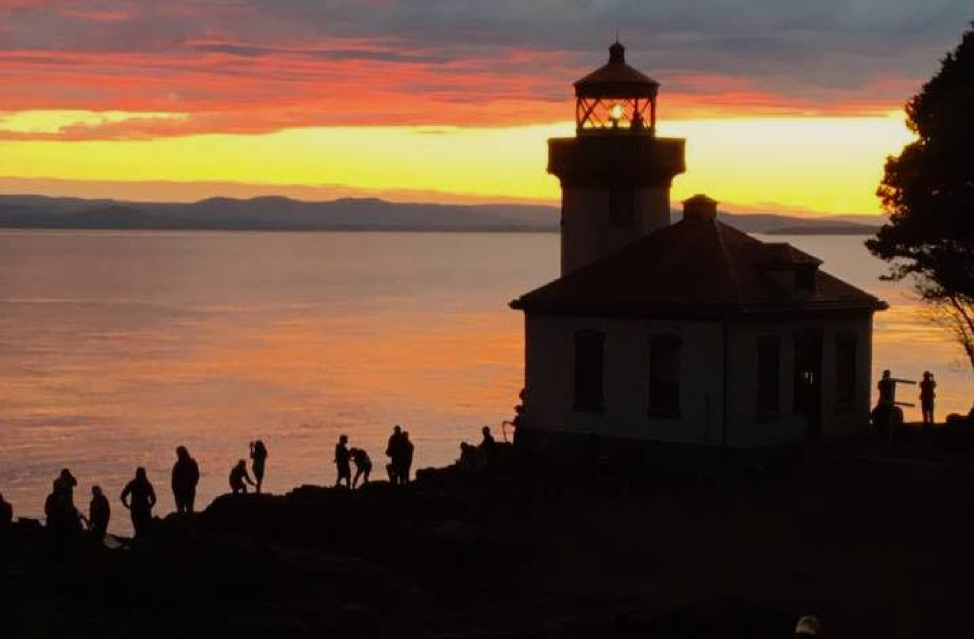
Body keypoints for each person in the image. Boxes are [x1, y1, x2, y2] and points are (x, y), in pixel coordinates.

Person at [120, 467, 157, 538]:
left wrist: (128, 506)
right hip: (143, 509)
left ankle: (139, 542)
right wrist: (150, 506)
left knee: (139, 529)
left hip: (137, 509)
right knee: (144, 529)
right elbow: (154, 499)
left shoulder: (134, 483)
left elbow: (122, 496)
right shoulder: (146, 484)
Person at [171, 445, 200, 515]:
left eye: (178, 454)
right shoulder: (191, 463)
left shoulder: (178, 465)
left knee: (185, 510)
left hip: (186, 491)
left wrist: (193, 483)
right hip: (184, 491)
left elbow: (196, 475)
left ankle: (186, 524)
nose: (178, 455)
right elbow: (197, 475)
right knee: (186, 510)